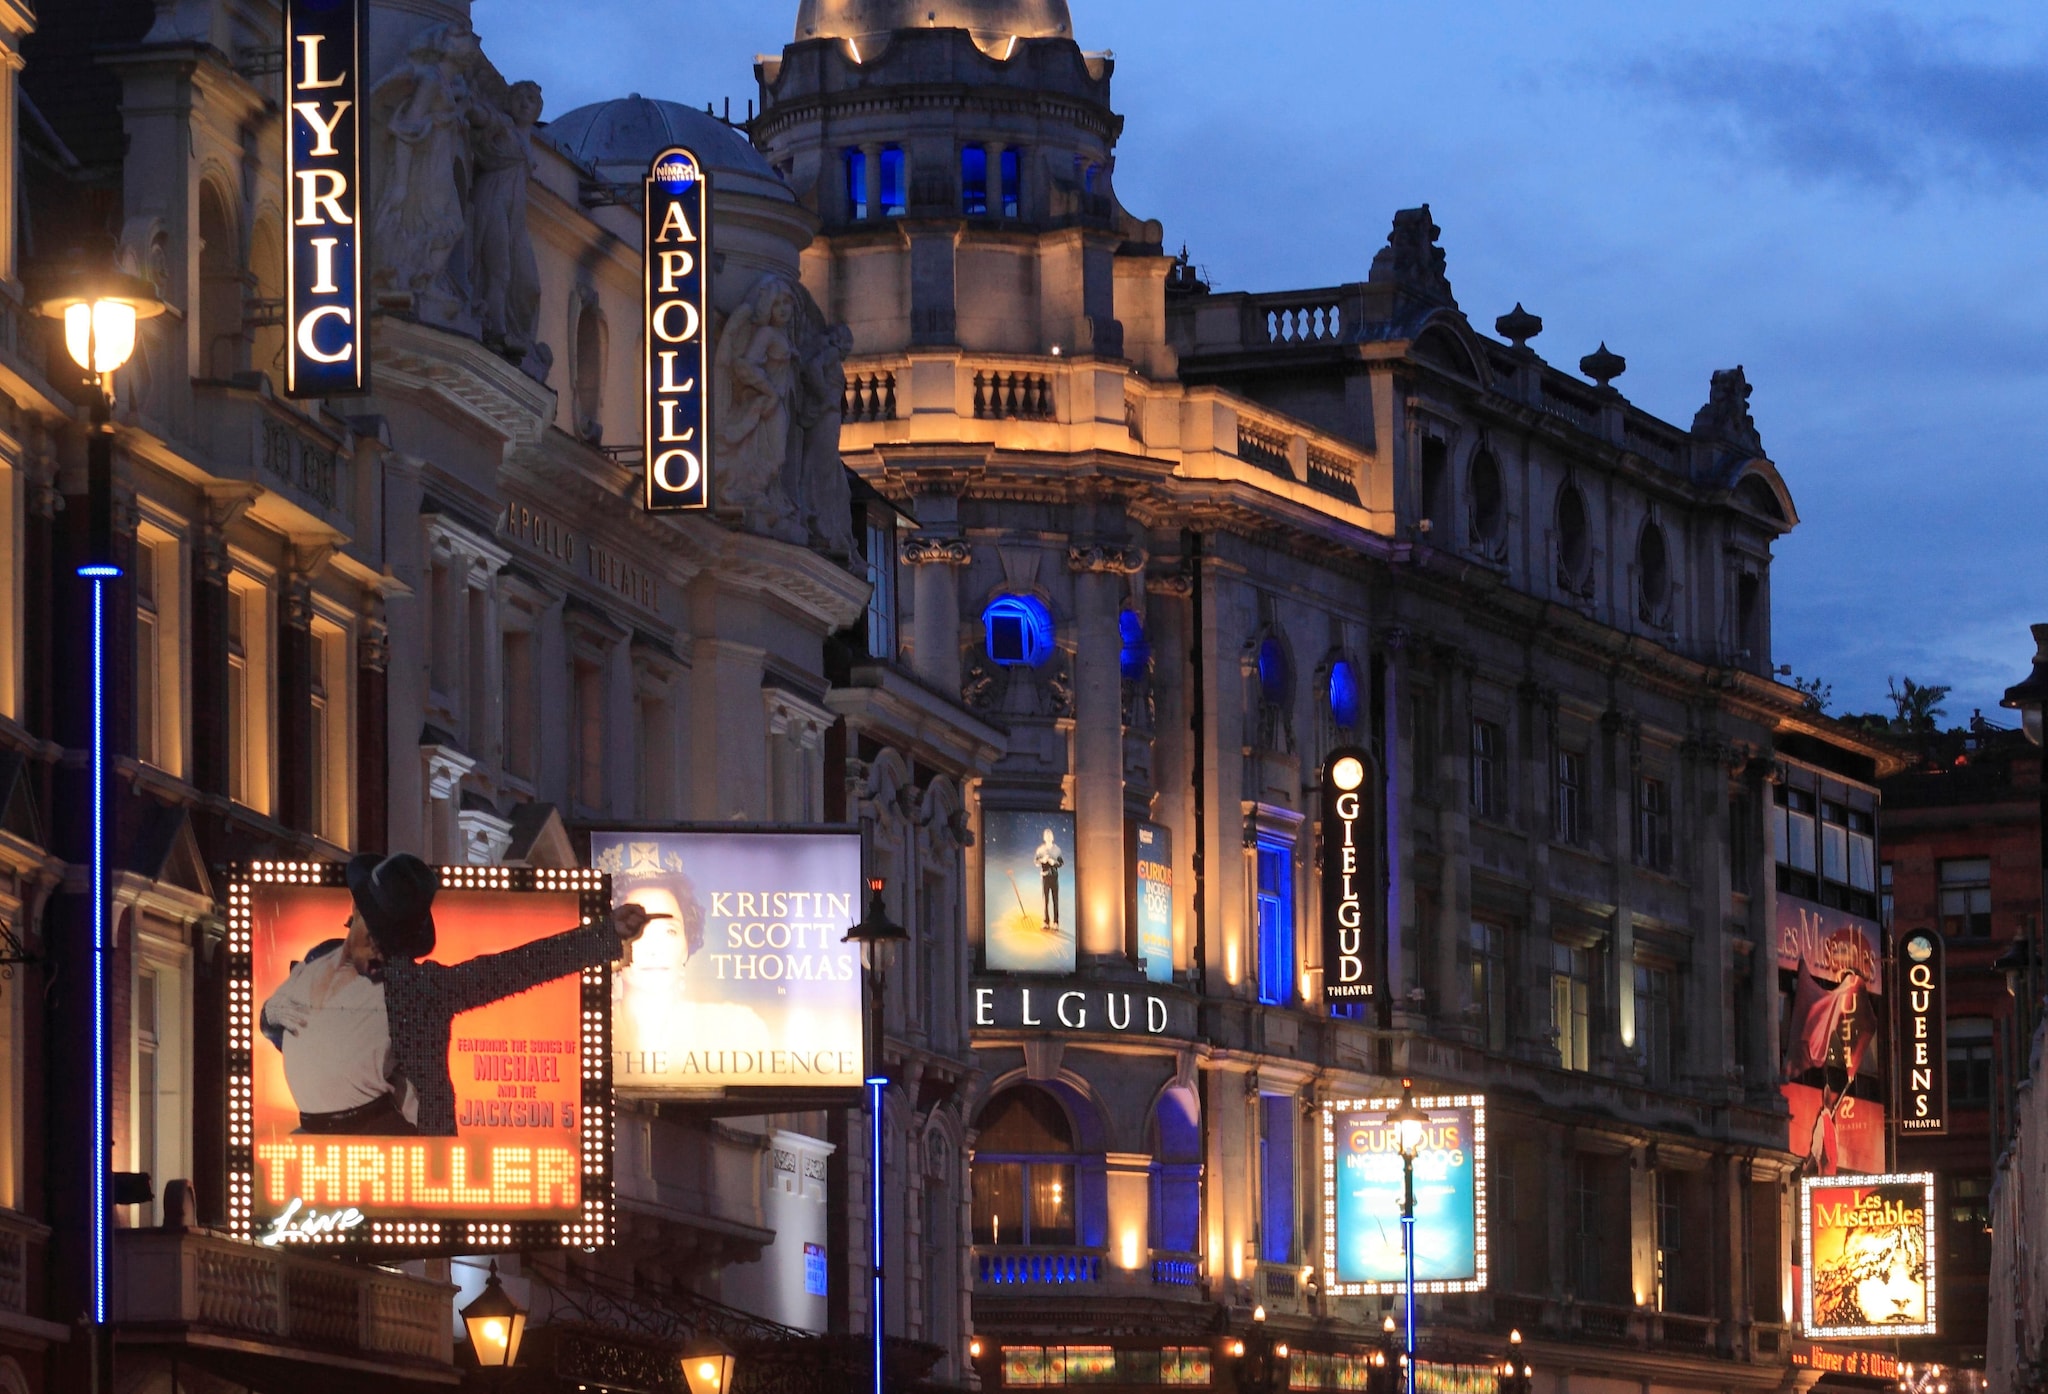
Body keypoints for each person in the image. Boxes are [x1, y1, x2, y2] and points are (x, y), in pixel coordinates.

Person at [264, 853, 651, 1137]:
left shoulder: (417, 987)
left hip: (380, 1143)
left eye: (392, 938)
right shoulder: (318, 957)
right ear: (355, 910)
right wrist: (270, 1014)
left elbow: (510, 970)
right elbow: (292, 1032)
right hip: (309, 1136)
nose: (380, 947)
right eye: (375, 929)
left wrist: (605, 935)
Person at [1035, 826, 1065, 931]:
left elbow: (1061, 863)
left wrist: (1054, 862)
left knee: (1055, 900)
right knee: (1045, 900)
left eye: (1050, 836)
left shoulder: (1057, 850)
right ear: (1044, 837)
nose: (1048, 837)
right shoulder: (1040, 850)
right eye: (1046, 836)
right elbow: (1036, 862)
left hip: (1054, 877)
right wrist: (1043, 860)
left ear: (1052, 837)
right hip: (1045, 877)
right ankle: (1046, 921)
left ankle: (1056, 922)